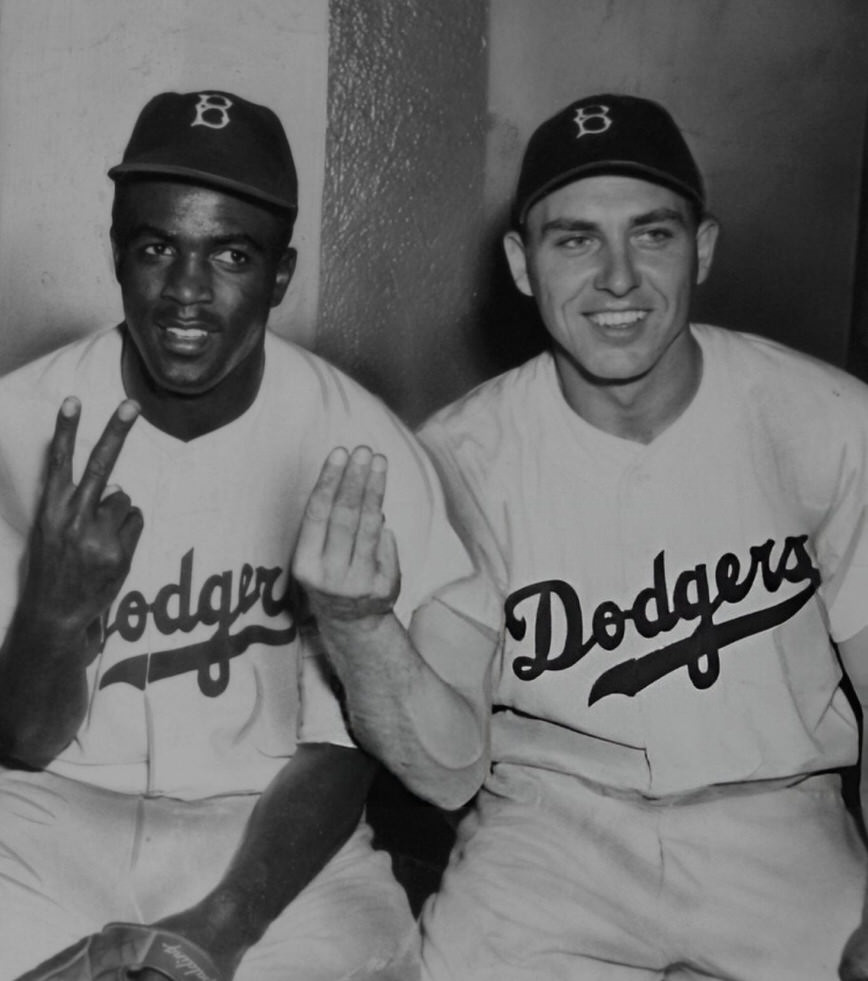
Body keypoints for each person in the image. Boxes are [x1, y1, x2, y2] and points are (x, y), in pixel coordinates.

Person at [0, 89, 474, 981]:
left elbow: (342, 755)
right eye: (156, 247)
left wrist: (223, 924)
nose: (186, 291)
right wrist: (54, 611)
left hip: (278, 830)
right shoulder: (4, 426)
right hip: (51, 811)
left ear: (280, 272)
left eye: (231, 254)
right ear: (116, 255)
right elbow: (23, 740)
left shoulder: (361, 445)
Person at [297, 92, 868, 980]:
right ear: (523, 265)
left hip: (777, 819)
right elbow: (449, 772)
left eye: (652, 234)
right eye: (574, 239)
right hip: (552, 830)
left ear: (703, 248)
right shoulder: (457, 458)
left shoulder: (829, 421)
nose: (616, 278)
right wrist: (358, 626)